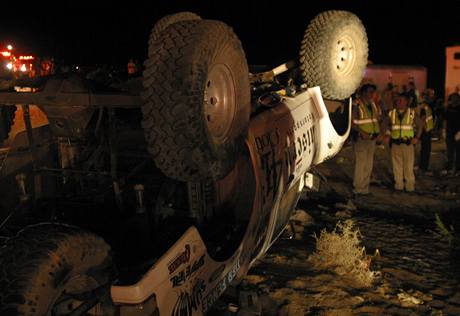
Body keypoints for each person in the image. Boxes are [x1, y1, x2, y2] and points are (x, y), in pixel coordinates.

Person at [384, 93, 423, 192]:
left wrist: (417, 138)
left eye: (401, 100)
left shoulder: (411, 113)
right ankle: (399, 186)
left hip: (407, 143)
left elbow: (421, 124)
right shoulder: (392, 113)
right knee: (397, 166)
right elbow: (385, 125)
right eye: (397, 100)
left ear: (406, 102)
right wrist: (387, 134)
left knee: (408, 166)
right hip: (395, 143)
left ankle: (410, 186)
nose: (398, 102)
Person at [352, 84, 382, 195]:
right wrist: (362, 132)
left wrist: (379, 133)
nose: (372, 94)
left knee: (369, 164)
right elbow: (352, 123)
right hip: (361, 138)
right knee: (361, 164)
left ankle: (364, 188)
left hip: (372, 138)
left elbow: (375, 120)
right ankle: (358, 188)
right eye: (370, 92)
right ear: (363, 92)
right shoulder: (357, 104)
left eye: (373, 92)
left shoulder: (373, 104)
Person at [443, 85, 460, 175]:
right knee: (450, 150)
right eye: (452, 98)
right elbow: (445, 119)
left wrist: (459, 133)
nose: (453, 100)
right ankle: (449, 167)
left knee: (458, 151)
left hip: (457, 132)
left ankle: (458, 168)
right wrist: (444, 130)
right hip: (449, 132)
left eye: (454, 98)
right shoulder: (449, 108)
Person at [417, 98, 434, 174]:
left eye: (420, 104)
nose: (419, 105)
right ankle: (423, 167)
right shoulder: (428, 109)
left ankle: (423, 167)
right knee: (426, 150)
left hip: (425, 132)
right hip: (427, 131)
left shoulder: (424, 110)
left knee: (424, 150)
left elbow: (423, 120)